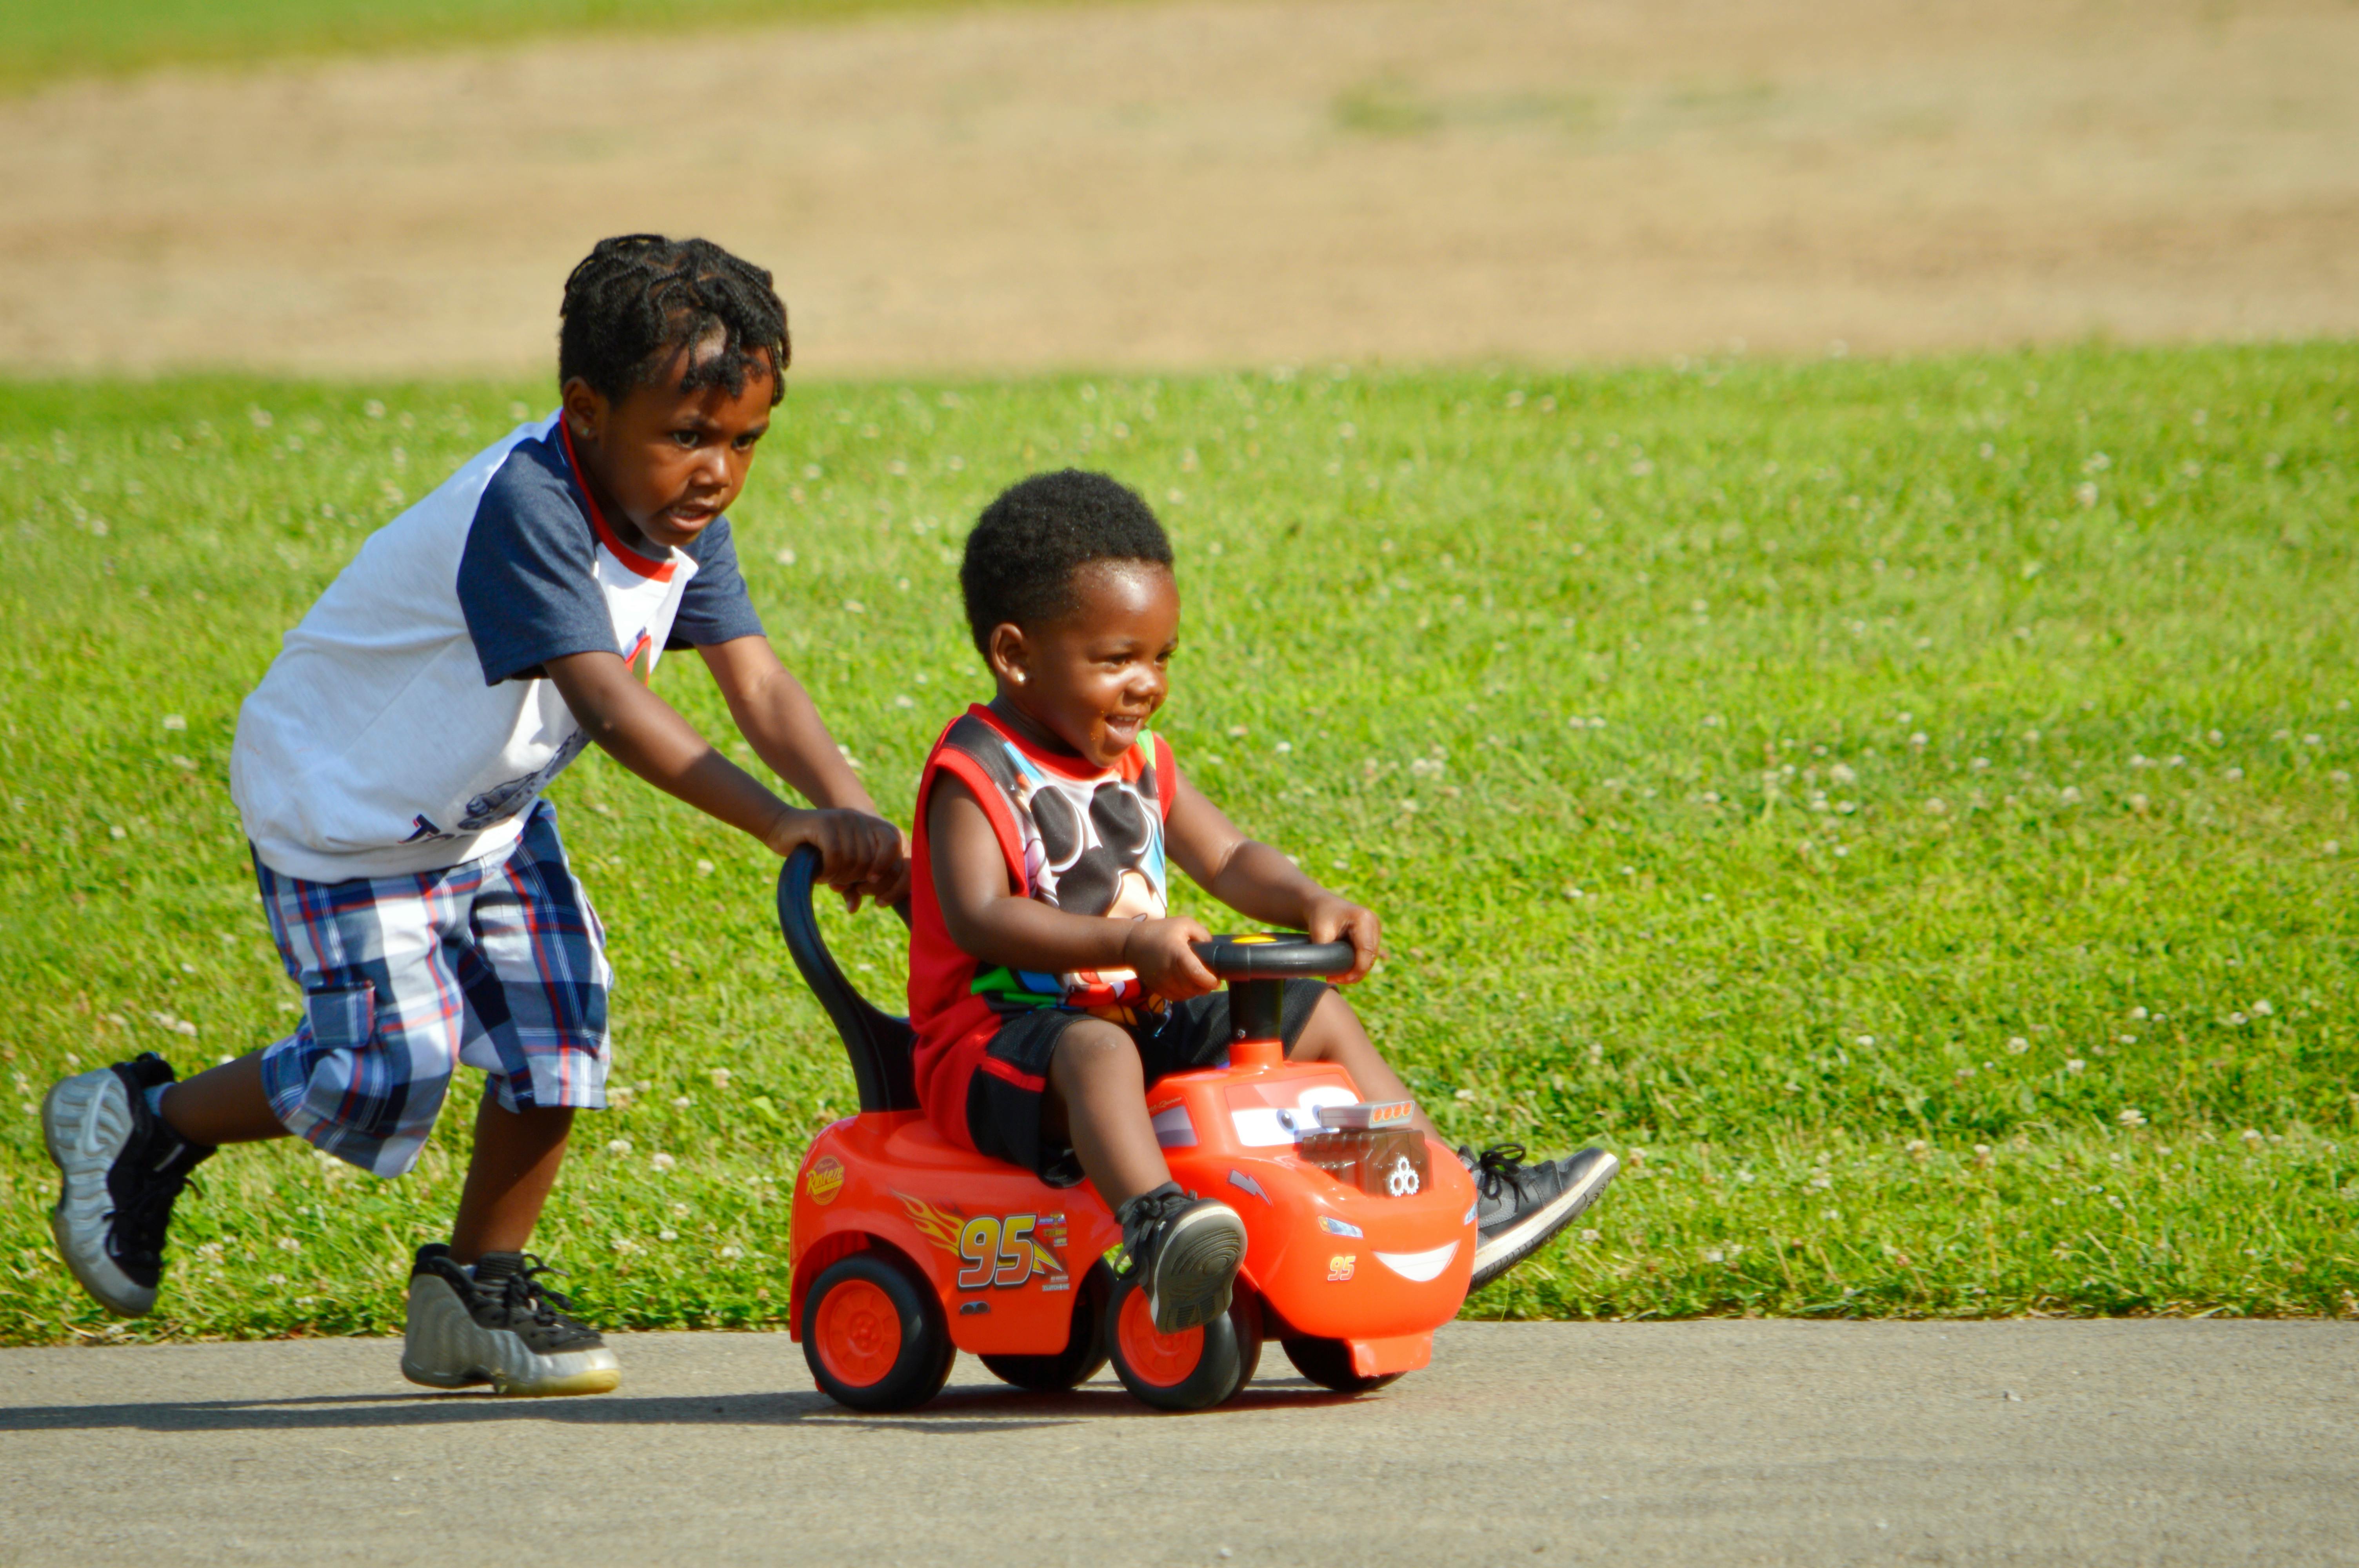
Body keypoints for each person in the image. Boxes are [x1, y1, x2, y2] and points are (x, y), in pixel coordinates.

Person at [41, 234, 907, 1396]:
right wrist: (777, 822)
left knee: (561, 1031)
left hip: (481, 816)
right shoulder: (531, 508)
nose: (718, 472)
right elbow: (605, 704)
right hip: (345, 814)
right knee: (382, 1073)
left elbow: (757, 679)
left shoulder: (679, 518)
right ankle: (149, 1120)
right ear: (587, 410)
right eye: (689, 436)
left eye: (745, 441)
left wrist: (855, 818)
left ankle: (473, 1289)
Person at [910, 468, 1615, 1334]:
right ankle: (1159, 1229)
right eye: (1116, 659)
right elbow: (980, 914)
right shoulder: (975, 770)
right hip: (994, 1051)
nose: (1147, 683)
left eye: (1161, 656)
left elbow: (1232, 855)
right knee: (1095, 1051)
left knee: (1308, 1014)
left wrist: (1312, 899)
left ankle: (1433, 1189)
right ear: (1015, 654)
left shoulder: (1138, 761)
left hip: (1134, 1020)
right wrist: (1131, 944)